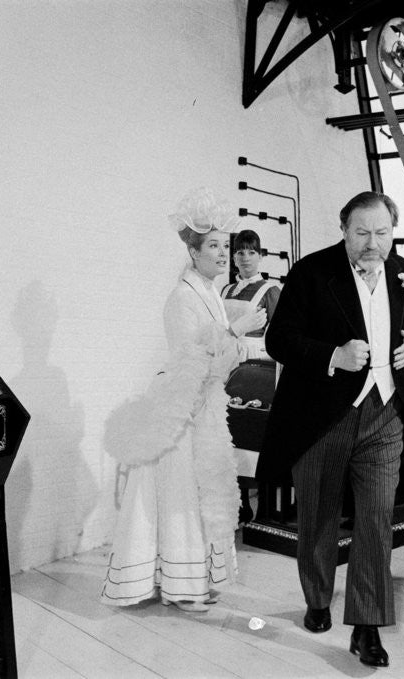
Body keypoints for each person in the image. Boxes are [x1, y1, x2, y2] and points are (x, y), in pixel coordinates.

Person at [256, 191, 404, 668]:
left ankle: (367, 627)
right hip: (322, 415)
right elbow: (279, 339)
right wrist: (333, 355)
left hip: (385, 413)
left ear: (393, 231)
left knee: (376, 519)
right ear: (343, 229)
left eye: (382, 233)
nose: (373, 243)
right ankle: (316, 596)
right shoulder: (312, 272)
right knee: (319, 515)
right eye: (362, 232)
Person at [100, 188, 266, 612]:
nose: (224, 254)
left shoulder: (208, 292)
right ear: (192, 251)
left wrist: (234, 332)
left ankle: (194, 580)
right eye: (213, 246)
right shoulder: (182, 298)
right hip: (183, 410)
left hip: (205, 407)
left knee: (205, 493)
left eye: (225, 246)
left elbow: (219, 361)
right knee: (183, 497)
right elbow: (194, 364)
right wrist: (237, 329)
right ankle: (181, 582)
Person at [221, 229, 282, 361]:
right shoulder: (226, 290)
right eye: (240, 253)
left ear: (260, 257)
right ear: (234, 258)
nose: (246, 258)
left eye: (251, 252)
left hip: (252, 360)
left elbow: (283, 336)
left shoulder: (270, 291)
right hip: (224, 356)